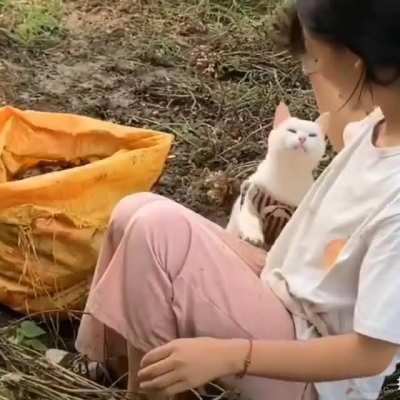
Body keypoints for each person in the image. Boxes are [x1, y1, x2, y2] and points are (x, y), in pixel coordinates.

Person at [76, 1, 400, 399]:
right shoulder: (380, 125)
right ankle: (114, 362)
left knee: (155, 232)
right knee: (136, 209)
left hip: (315, 375)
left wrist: (231, 356)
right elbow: (341, 110)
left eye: (313, 55)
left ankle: (153, 390)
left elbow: (373, 353)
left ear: (355, 58)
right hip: (286, 298)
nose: (310, 68)